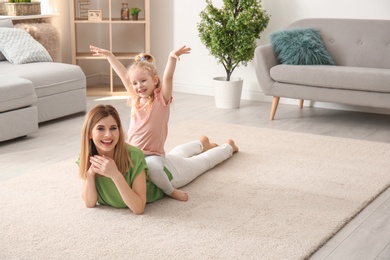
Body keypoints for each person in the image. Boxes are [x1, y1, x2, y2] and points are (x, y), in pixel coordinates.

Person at [78, 104, 238, 214]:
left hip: (169, 175)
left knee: (202, 163)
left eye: (113, 128)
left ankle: (229, 147)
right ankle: (201, 143)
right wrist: (90, 175)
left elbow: (138, 208)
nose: (108, 135)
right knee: (176, 155)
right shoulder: (87, 157)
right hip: (159, 162)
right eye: (100, 128)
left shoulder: (134, 155)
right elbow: (90, 203)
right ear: (89, 133)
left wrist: (115, 175)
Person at [89, 45, 191, 201]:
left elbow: (168, 78)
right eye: (135, 83)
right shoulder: (136, 99)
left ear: (154, 80)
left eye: (143, 81)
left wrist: (171, 57)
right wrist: (109, 55)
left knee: (154, 171)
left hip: (153, 155)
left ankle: (170, 191)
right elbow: (124, 75)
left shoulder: (161, 99)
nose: (139, 86)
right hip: (131, 152)